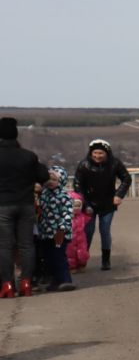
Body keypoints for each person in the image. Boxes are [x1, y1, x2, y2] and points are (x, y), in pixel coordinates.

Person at [0, 116, 46, 298]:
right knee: (27, 246)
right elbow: (43, 176)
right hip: (26, 204)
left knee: (4, 247)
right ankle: (26, 282)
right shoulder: (28, 156)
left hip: (2, 206)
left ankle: (7, 284)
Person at [74, 138, 131, 271]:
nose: (97, 156)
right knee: (87, 232)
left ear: (107, 153)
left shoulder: (115, 163)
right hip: (89, 203)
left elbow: (126, 178)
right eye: (95, 153)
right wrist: (83, 202)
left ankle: (106, 260)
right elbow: (77, 184)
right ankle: (83, 259)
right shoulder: (84, 165)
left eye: (101, 153)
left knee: (105, 231)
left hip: (108, 203)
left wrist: (119, 195)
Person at [33, 163, 75, 292]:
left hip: (59, 233)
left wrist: (62, 228)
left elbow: (67, 214)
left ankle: (66, 280)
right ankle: (55, 282)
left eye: (54, 180)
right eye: (49, 179)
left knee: (59, 256)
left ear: (61, 181)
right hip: (46, 233)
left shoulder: (64, 196)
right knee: (48, 258)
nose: (50, 182)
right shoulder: (44, 194)